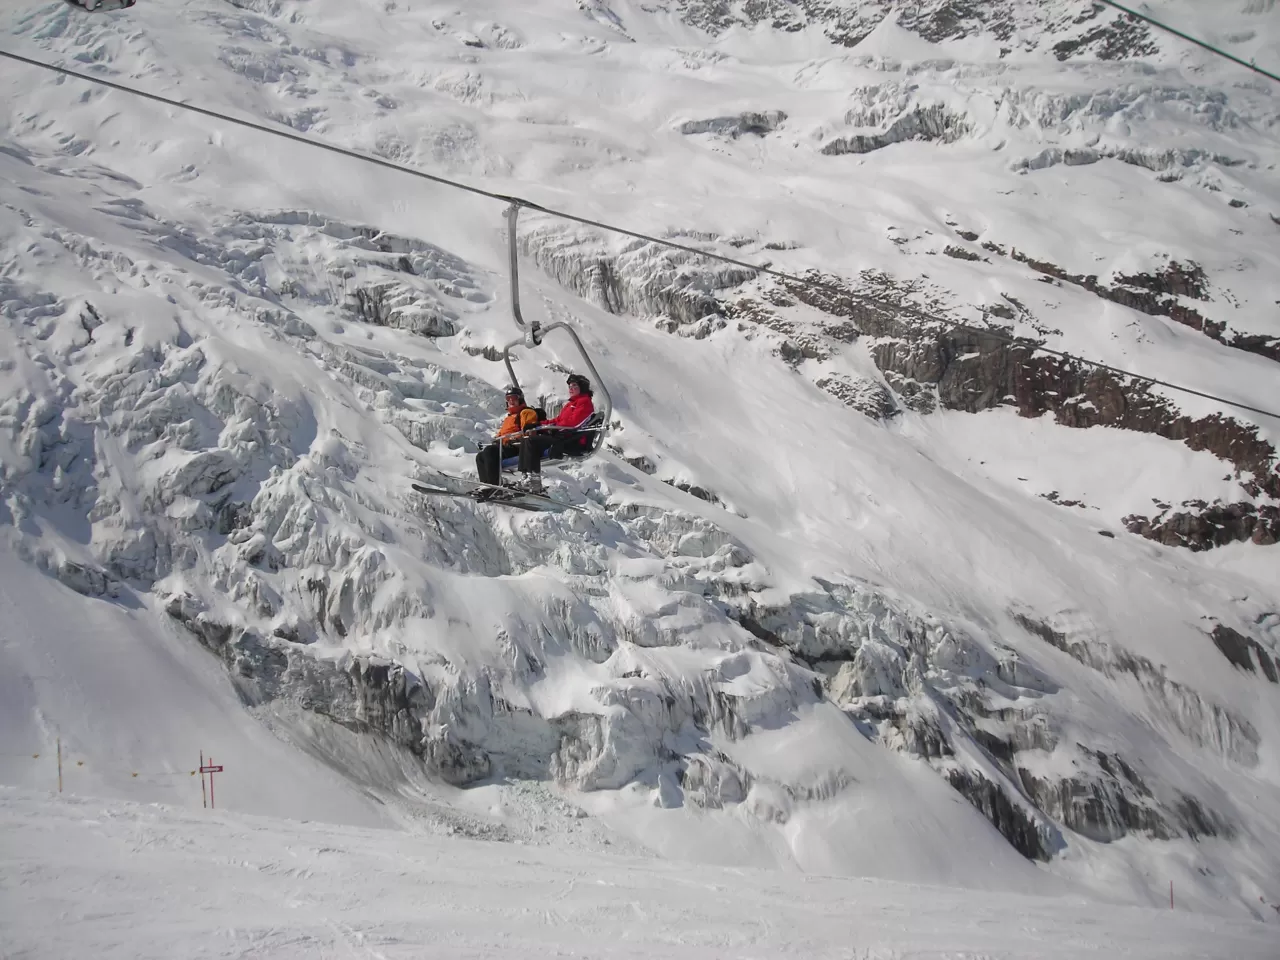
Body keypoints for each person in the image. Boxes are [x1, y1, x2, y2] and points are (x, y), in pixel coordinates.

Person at [516, 374, 597, 491]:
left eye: (574, 386)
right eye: (569, 386)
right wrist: (538, 425)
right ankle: (526, 476)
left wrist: (552, 428)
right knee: (526, 439)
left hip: (572, 440)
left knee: (532, 441)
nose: (571, 389)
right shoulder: (570, 404)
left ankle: (534, 480)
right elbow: (557, 420)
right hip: (563, 437)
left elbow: (573, 423)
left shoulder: (585, 402)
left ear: (582, 388)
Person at [475, 386, 538, 488]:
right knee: (480, 457)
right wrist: (496, 439)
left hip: (517, 447)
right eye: (508, 399)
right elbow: (502, 433)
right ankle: (486, 486)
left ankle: (494, 486)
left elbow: (528, 431)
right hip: (504, 447)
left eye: (514, 398)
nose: (511, 401)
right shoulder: (509, 417)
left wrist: (514, 438)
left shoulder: (526, 412)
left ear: (520, 399)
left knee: (490, 451)